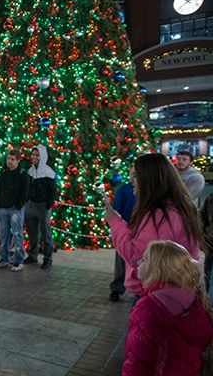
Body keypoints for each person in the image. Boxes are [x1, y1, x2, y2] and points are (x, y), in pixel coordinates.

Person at [104, 153, 202, 300]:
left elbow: (136, 255)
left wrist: (115, 222)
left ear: (149, 179)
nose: (132, 180)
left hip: (159, 292)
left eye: (136, 175)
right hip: (169, 289)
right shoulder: (173, 207)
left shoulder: (162, 214)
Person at [122, 240, 213, 376]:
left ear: (157, 269)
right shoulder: (195, 301)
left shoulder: (148, 308)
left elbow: (138, 362)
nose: (139, 262)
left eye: (145, 259)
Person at [0, 149, 30, 271]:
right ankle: (4, 258)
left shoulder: (22, 174)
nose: (9, 162)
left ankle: (19, 260)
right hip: (3, 207)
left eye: (12, 159)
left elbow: (24, 192)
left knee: (17, 234)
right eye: (8, 159)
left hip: (15, 209)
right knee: (4, 235)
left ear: (18, 161)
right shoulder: (3, 172)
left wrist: (19, 206)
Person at [24, 145, 57, 269]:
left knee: (46, 233)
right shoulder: (30, 171)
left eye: (37, 155)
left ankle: (47, 259)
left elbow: (52, 191)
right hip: (31, 205)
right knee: (32, 233)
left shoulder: (48, 172)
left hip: (43, 206)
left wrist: (48, 205)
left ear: (42, 157)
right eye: (33, 155)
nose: (34, 157)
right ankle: (32, 256)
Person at [109, 167, 136, 302]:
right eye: (133, 175)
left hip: (142, 230)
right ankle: (117, 288)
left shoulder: (150, 190)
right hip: (126, 229)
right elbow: (116, 210)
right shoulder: (124, 190)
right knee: (121, 259)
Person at [200, 193, 213, 299]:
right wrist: (202, 240)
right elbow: (202, 219)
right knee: (208, 279)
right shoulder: (211, 198)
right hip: (210, 250)